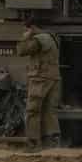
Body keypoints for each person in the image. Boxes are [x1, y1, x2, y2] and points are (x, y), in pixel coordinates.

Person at [15, 16, 61, 151]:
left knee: (32, 111)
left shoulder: (40, 39)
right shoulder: (50, 37)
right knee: (49, 111)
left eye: (27, 28)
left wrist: (25, 37)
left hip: (40, 78)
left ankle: (33, 143)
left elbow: (21, 51)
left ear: (32, 27)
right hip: (52, 77)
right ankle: (51, 142)